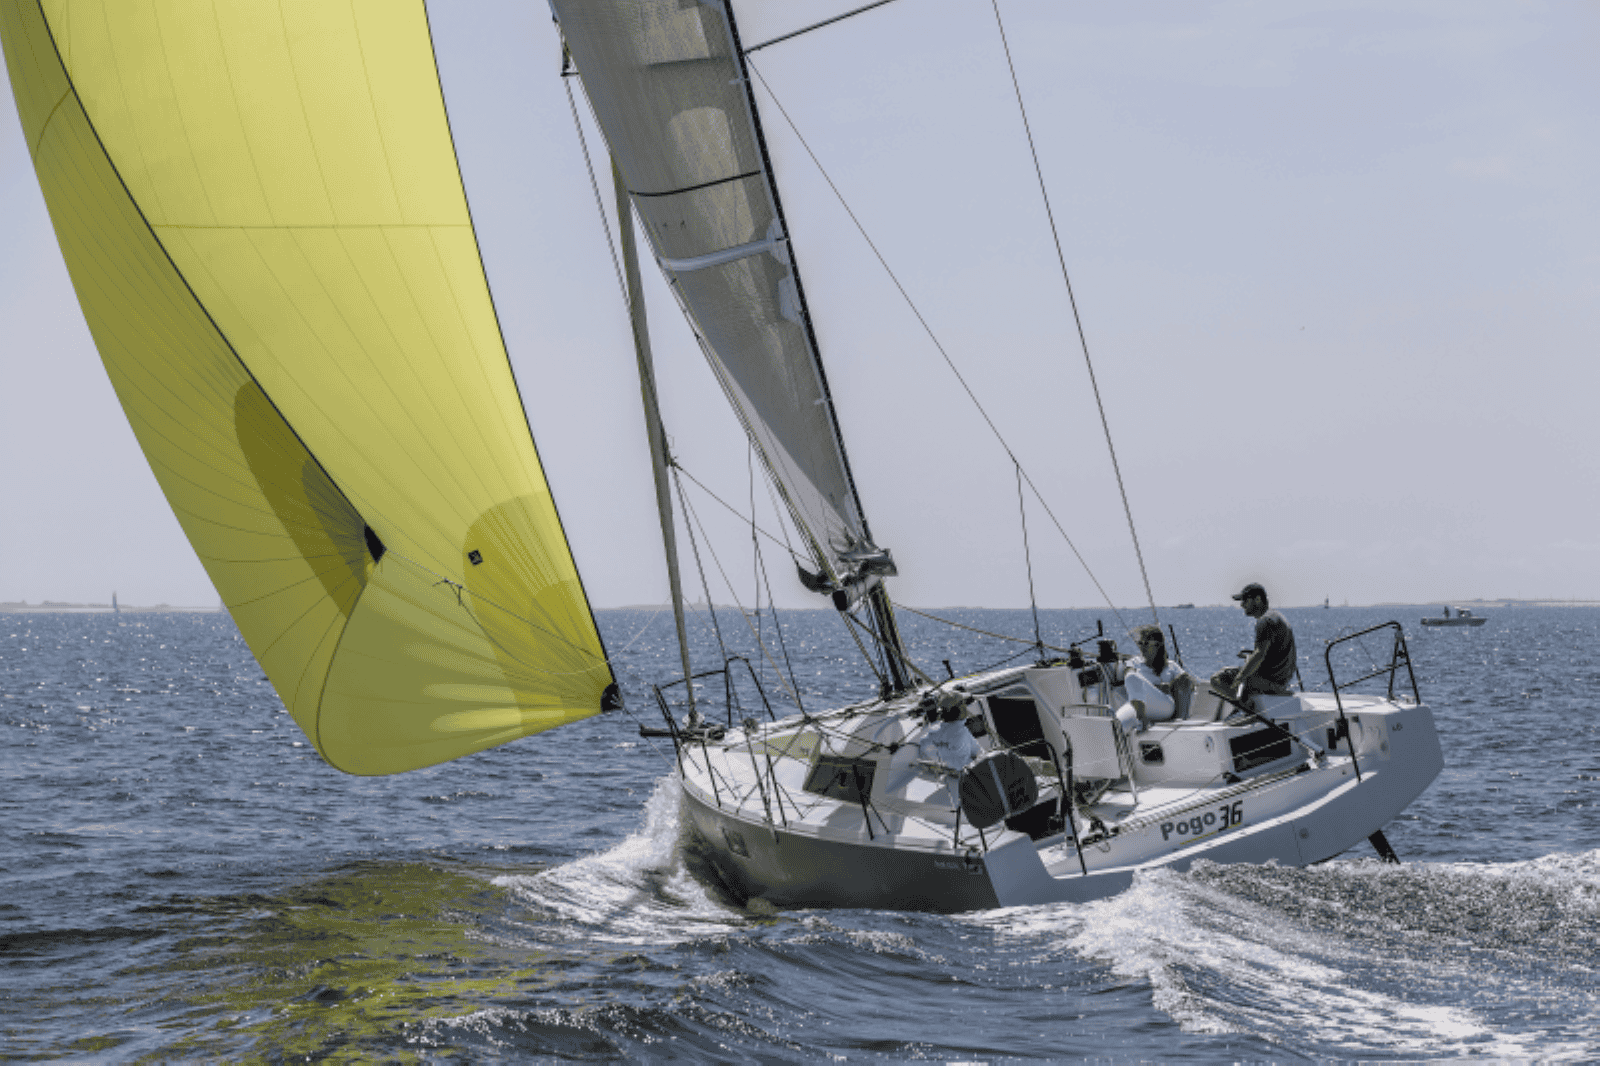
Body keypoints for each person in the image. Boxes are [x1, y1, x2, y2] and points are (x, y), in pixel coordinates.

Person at [1223, 582, 1297, 701]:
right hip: (1282, 681)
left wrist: (1239, 678)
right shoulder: (1276, 616)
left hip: (1270, 683)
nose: (1242, 605)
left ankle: (1246, 708)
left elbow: (1259, 654)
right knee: (1234, 672)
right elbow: (1268, 653)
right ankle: (1245, 703)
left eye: (1245, 600)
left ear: (1258, 599)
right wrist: (1250, 657)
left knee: (1219, 678)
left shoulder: (1265, 621)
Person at [1120, 625, 1195, 728]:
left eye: (1146, 643)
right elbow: (1128, 674)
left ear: (1158, 645)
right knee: (1131, 677)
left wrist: (1171, 687)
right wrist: (1156, 687)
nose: (1142, 647)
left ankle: (1143, 720)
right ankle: (1139, 719)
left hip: (1165, 707)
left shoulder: (1171, 666)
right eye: (1140, 643)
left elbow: (1189, 682)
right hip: (1138, 705)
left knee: (1132, 678)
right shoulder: (1132, 663)